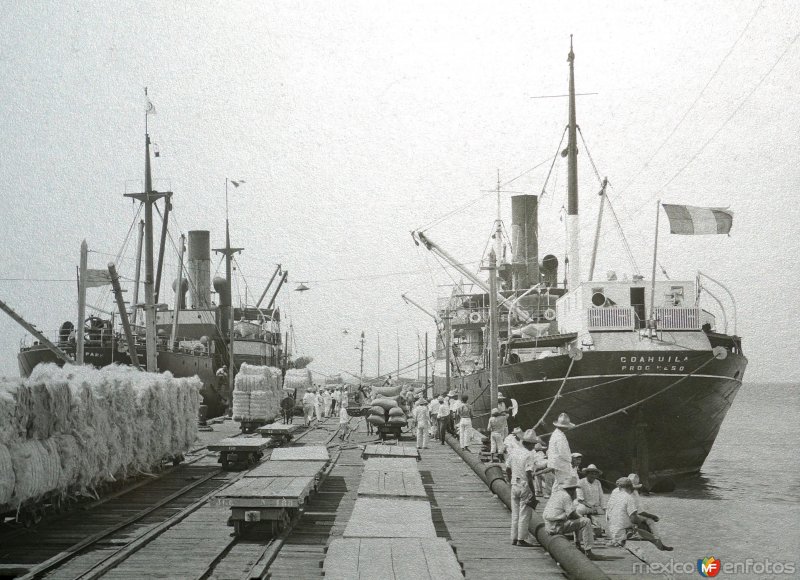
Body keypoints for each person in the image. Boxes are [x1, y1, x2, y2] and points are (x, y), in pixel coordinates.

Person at [606, 477, 673, 551]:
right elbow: (633, 518)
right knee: (653, 537)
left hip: (612, 528)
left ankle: (659, 545)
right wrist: (639, 525)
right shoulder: (628, 498)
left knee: (643, 526)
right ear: (629, 487)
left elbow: (608, 512)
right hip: (622, 531)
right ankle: (661, 547)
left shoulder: (615, 495)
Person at [542, 476, 598, 559]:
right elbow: (572, 514)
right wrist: (581, 517)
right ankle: (588, 551)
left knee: (578, 518)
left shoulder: (557, 494)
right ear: (572, 489)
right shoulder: (566, 496)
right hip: (557, 526)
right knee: (586, 521)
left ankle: (577, 544)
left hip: (549, 525)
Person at [504, 429, 539, 546]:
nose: (534, 447)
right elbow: (529, 475)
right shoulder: (529, 455)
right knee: (524, 514)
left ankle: (513, 538)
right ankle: (521, 539)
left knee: (515, 513)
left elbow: (507, 468)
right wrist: (533, 493)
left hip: (514, 484)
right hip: (524, 485)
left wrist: (510, 480)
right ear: (528, 443)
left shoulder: (514, 452)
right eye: (533, 444)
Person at [628, 473, 666, 540]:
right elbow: (640, 512)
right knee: (649, 520)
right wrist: (653, 516)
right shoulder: (634, 495)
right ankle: (656, 536)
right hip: (630, 517)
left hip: (622, 516)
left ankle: (635, 532)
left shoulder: (623, 491)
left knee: (642, 521)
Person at [547, 412, 576, 493]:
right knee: (562, 483)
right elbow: (563, 452)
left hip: (557, 463)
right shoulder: (559, 436)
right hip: (561, 464)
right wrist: (570, 460)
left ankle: (554, 499)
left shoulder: (556, 434)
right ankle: (556, 499)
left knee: (558, 483)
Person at [576, 464, 607, 536]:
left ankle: (597, 526)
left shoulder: (598, 482)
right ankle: (583, 525)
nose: (593, 476)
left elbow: (601, 496)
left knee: (607, 513)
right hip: (585, 506)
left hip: (596, 507)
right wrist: (590, 507)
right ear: (587, 473)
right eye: (591, 473)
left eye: (595, 474)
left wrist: (604, 508)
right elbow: (580, 499)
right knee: (579, 510)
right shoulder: (581, 482)